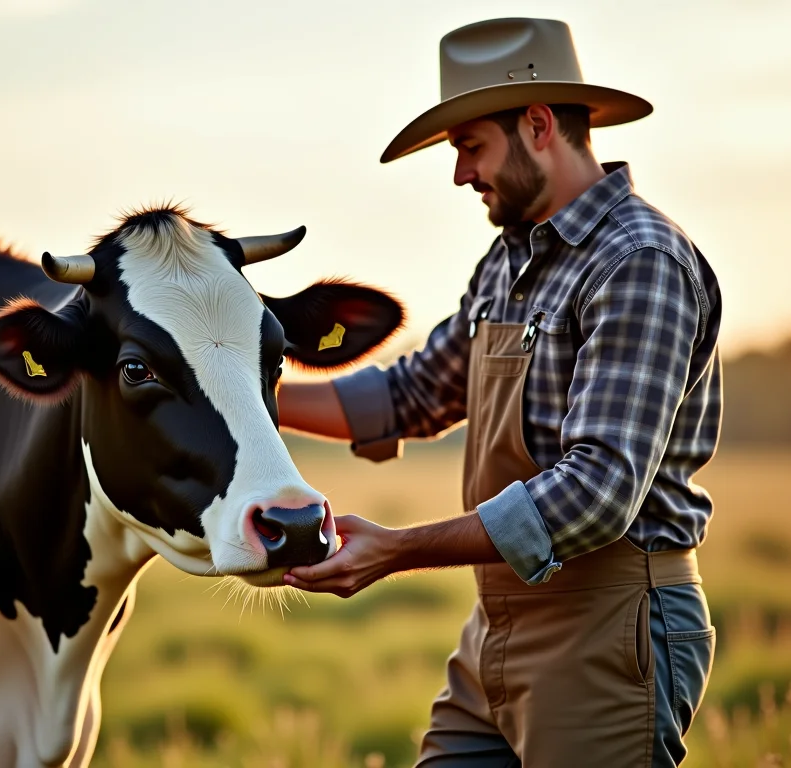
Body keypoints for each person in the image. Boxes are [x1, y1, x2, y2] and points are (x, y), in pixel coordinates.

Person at [277, 17, 724, 768]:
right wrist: (239, 393)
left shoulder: (639, 262)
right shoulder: (506, 263)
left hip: (611, 624)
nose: (460, 174)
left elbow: (598, 491)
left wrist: (398, 550)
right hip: (497, 625)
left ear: (539, 126)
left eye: (469, 146)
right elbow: (415, 394)